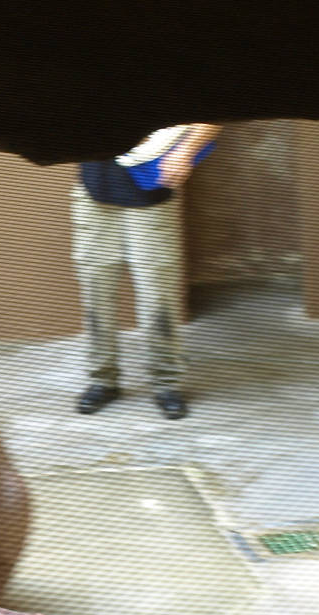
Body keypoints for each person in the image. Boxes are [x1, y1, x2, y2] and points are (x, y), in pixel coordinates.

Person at [72, 123, 221, 421]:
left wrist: (185, 152)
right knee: (96, 292)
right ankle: (103, 380)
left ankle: (166, 384)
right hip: (93, 193)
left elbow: (214, 117)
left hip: (150, 197)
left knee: (158, 296)